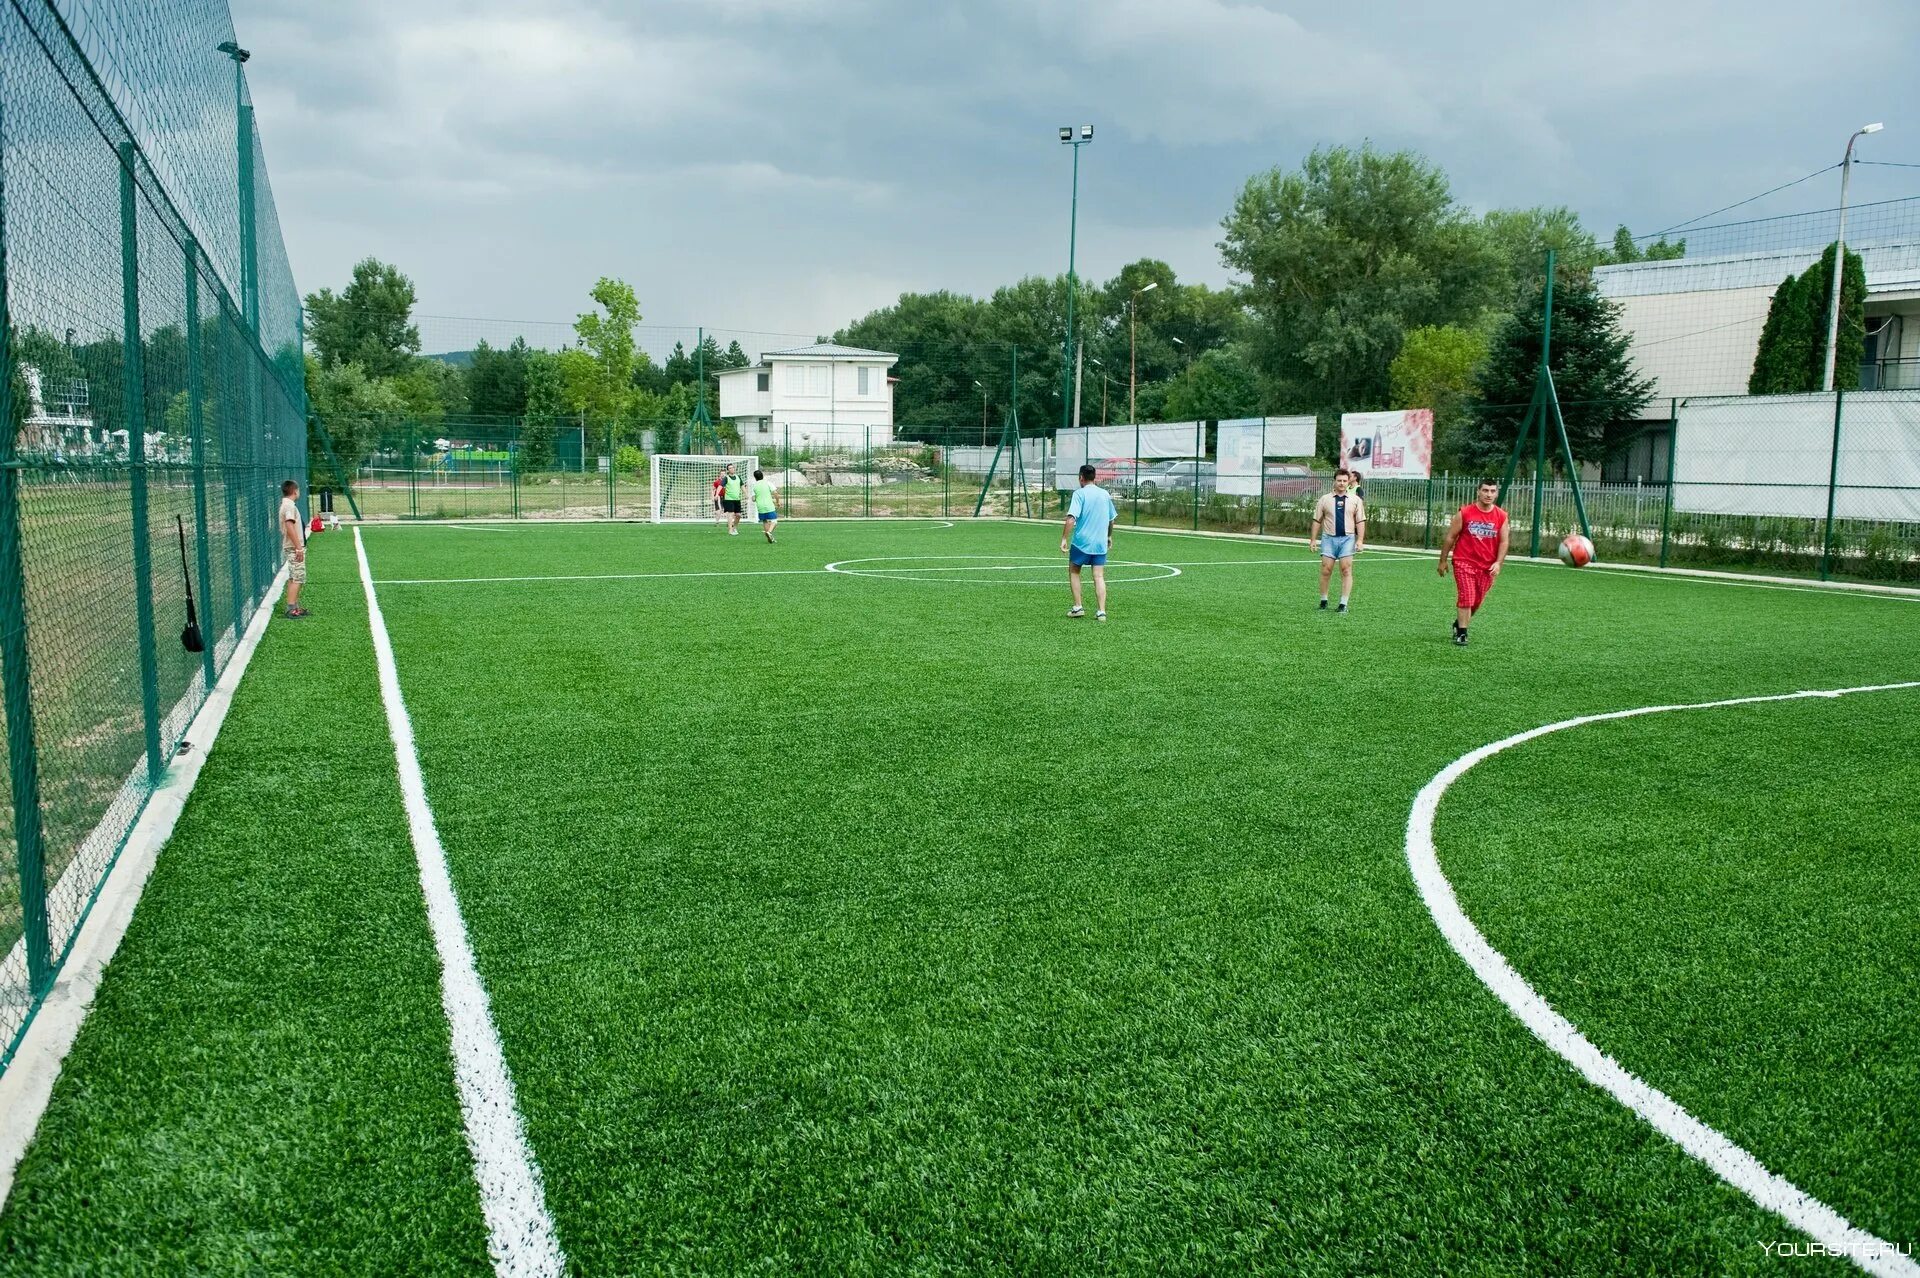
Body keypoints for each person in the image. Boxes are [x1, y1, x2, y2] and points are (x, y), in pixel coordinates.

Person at [1438, 479, 1511, 646]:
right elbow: (1450, 537)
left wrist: (1498, 562)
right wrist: (1442, 560)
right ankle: (1462, 634)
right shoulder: (1465, 512)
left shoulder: (1501, 516)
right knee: (1467, 597)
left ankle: (1459, 624)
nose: (1489, 494)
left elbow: (1504, 542)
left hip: (1487, 566)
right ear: (1478, 492)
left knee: (1476, 602)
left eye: (1493, 491)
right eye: (1485, 490)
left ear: (1497, 494)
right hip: (1464, 561)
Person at [1060, 462, 1118, 621]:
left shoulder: (1079, 494)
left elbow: (1071, 518)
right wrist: (1108, 536)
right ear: (1095, 477)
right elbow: (1111, 519)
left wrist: (1064, 538)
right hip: (1100, 543)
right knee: (1098, 576)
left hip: (1082, 542)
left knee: (1074, 571)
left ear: (1081, 478)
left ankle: (1078, 607)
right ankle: (1101, 612)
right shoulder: (1105, 494)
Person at [1309, 469, 1366, 612]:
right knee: (1326, 570)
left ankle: (1343, 604)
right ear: (1334, 481)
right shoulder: (1324, 499)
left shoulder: (1356, 500)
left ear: (1348, 482)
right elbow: (1317, 520)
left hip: (1348, 539)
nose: (1342, 483)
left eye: (1344, 481)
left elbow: (1360, 521)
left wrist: (1360, 540)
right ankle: (1323, 601)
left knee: (1346, 569)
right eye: (1339, 480)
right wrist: (1313, 540)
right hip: (1328, 538)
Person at [278, 479, 307, 618]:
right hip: (294, 547)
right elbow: (289, 525)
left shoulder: (287, 505)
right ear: (295, 491)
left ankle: (294, 606)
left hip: (293, 547)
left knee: (294, 576)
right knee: (298, 577)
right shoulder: (289, 506)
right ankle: (291, 609)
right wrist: (298, 548)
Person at [751, 468, 779, 543]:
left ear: (755, 477)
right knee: (774, 521)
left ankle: (769, 538)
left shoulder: (754, 486)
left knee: (765, 521)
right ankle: (769, 532)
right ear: (762, 476)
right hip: (769, 505)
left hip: (760, 506)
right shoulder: (768, 483)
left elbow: (753, 499)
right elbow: (775, 493)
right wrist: (778, 502)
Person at [719, 464, 745, 535]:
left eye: (732, 467)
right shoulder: (726, 478)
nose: (732, 469)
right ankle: (730, 530)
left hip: (737, 499)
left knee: (738, 515)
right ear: (728, 470)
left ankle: (734, 527)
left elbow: (742, 486)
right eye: (730, 468)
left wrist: (746, 494)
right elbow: (720, 486)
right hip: (728, 499)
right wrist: (716, 494)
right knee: (730, 514)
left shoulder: (738, 477)